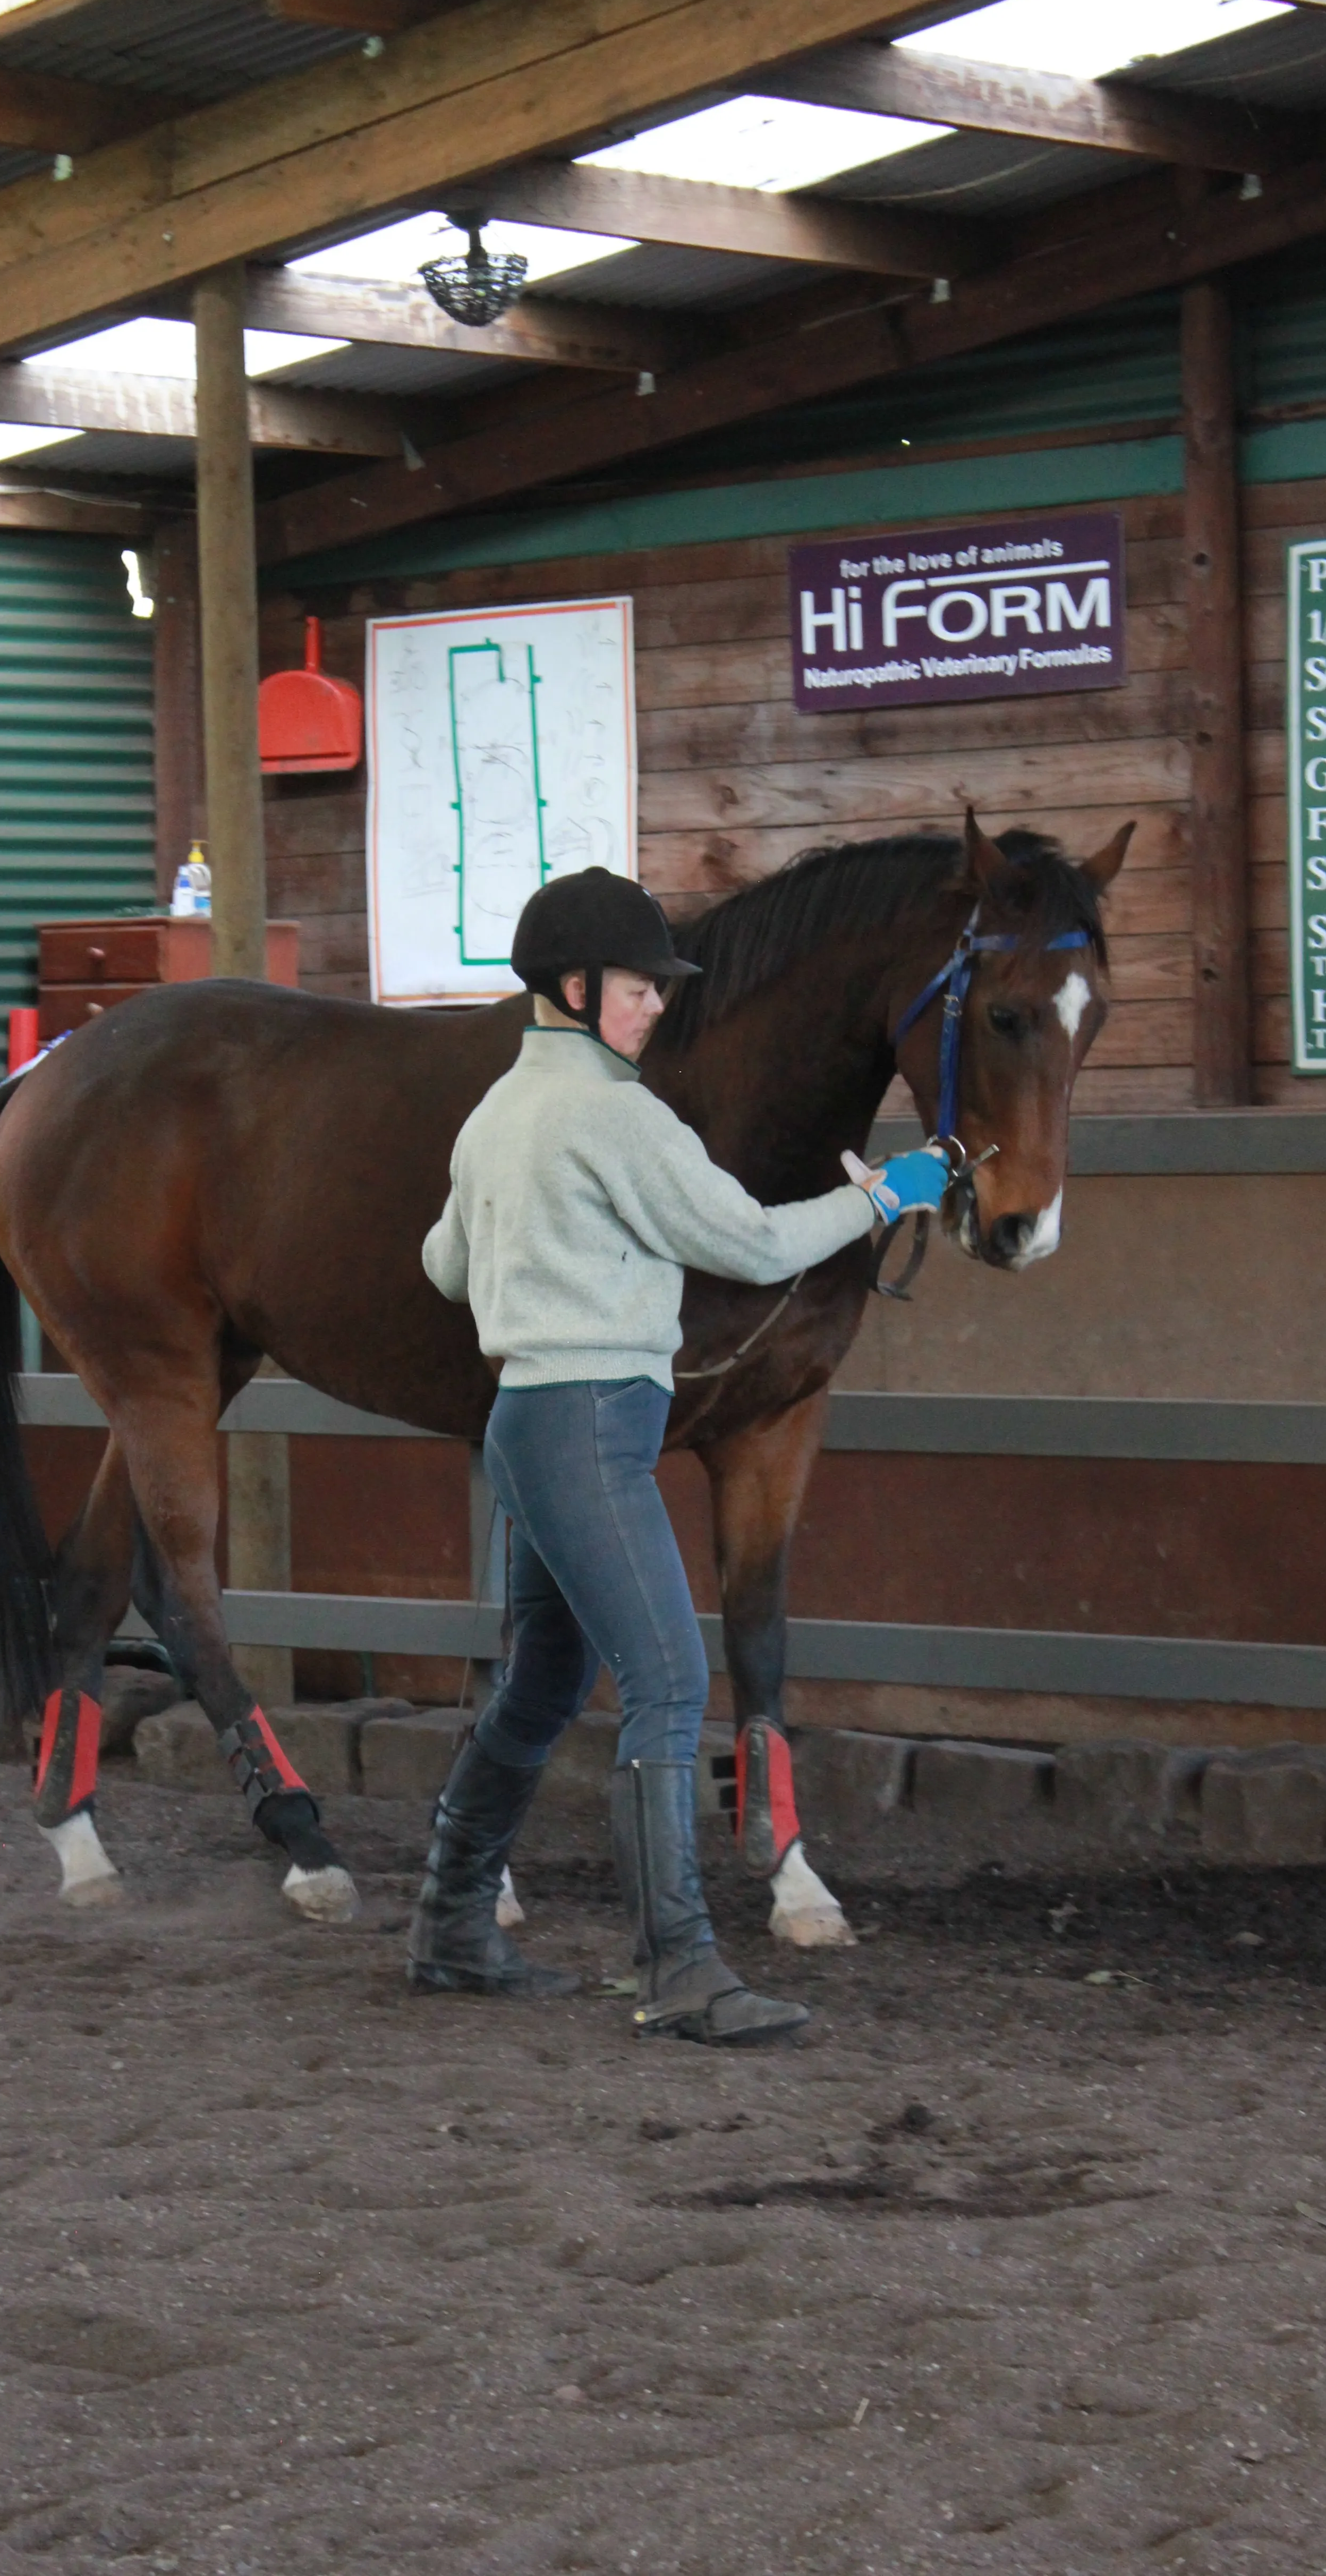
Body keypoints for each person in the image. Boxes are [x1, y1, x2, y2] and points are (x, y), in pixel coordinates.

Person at [414, 866, 948, 2046]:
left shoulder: (495, 1114)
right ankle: (683, 1967)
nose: (659, 1004)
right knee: (666, 1685)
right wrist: (888, 1195)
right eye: (642, 987)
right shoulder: (620, 1117)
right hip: (596, 1422)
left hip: (528, 1423)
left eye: (661, 987)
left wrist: (542, 1256)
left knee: (547, 1683)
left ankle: (453, 1922)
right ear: (573, 987)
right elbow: (754, 1245)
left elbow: (445, 1267)